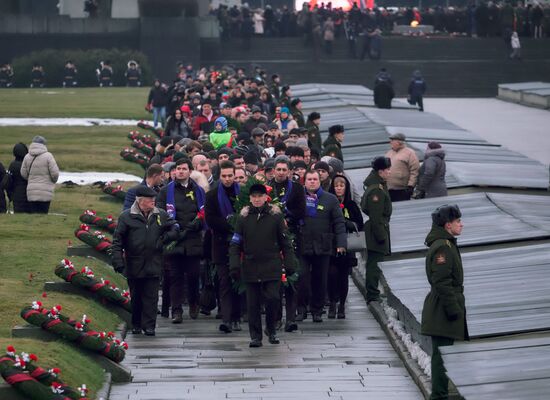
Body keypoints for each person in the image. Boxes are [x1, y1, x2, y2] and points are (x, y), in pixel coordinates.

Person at [229, 183, 296, 347]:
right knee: (252, 304)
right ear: (250, 198)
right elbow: (236, 244)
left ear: (266, 197)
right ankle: (256, 336)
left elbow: (285, 242)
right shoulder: (243, 218)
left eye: (260, 196)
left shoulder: (275, 216)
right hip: (251, 266)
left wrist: (289, 263)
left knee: (273, 298)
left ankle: (271, 329)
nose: (257, 199)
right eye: (254, 196)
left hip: (271, 264)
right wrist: (235, 265)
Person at [112, 186, 176, 336]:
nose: (153, 202)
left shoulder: (160, 214)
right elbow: (117, 242)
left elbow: (174, 228)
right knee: (136, 296)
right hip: (134, 264)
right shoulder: (126, 217)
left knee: (152, 297)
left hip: (154, 263)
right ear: (140, 201)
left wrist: (165, 239)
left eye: (154, 199)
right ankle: (136, 324)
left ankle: (149, 326)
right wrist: (118, 262)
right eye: (150, 200)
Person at [421, 205, 469, 400]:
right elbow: (441, 281)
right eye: (458, 221)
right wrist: (454, 309)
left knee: (444, 354)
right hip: (443, 309)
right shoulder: (443, 246)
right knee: (441, 357)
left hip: (444, 307)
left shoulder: (446, 243)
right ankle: (439, 396)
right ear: (448, 225)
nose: (462, 224)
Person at [156, 157, 206, 323]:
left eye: (184, 169)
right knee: (175, 276)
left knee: (193, 275)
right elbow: (161, 212)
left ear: (190, 171)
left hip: (192, 239)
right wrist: (173, 226)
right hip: (174, 239)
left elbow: (203, 211)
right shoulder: (166, 191)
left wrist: (198, 223)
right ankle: (176, 310)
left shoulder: (198, 190)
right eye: (178, 169)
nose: (180, 171)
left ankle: (193, 302)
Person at [297, 170, 346, 323]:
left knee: (320, 279)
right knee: (302, 277)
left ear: (320, 181)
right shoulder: (298, 198)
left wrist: (341, 243)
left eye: (315, 179)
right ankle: (301, 309)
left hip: (323, 244)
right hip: (302, 244)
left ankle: (317, 310)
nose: (312, 182)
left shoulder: (330, 199)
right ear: (305, 182)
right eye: (309, 179)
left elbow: (339, 222)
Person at [268, 156, 306, 332]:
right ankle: (275, 318)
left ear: (290, 172)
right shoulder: (267, 188)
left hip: (291, 237)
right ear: (273, 170)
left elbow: (301, 211)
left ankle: (290, 318)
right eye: (279, 169)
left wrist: (285, 214)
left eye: (285, 170)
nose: (281, 172)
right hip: (271, 239)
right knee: (275, 281)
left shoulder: (297, 188)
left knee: (291, 278)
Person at [205, 161, 242, 333]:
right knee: (224, 282)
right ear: (220, 176)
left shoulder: (242, 193)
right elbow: (210, 219)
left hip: (240, 245)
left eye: (230, 176)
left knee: (238, 281)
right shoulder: (212, 195)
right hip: (220, 245)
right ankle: (227, 319)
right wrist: (231, 224)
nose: (227, 179)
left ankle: (237, 315)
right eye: (224, 176)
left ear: (235, 176)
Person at [327, 175, 363, 319]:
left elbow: (359, 224)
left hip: (347, 246)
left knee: (343, 277)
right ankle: (332, 302)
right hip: (331, 245)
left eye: (342, 186)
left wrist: (347, 223)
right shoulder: (328, 203)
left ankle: (342, 304)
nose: (339, 188)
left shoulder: (351, 205)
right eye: (336, 186)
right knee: (331, 275)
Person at [361, 156, 392, 304]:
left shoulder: (376, 186)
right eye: (387, 170)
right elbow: (375, 216)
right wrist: (381, 236)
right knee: (374, 263)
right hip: (376, 231)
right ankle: (372, 293)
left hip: (377, 229)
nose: (389, 172)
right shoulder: (376, 191)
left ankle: (373, 291)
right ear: (380, 171)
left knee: (374, 262)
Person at [20, 136, 59, 214]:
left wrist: (31, 180)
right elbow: (55, 173)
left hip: (31, 191)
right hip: (46, 191)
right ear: (44, 144)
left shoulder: (27, 156)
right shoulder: (48, 156)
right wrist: (53, 181)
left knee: (34, 215)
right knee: (43, 215)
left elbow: (23, 174)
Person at [385, 133, 420, 202]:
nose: (390, 142)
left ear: (399, 142)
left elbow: (415, 171)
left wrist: (411, 186)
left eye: (392, 140)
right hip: (388, 189)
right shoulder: (389, 153)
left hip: (402, 190)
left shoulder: (410, 153)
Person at [6, 143, 30, 213]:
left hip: (16, 196)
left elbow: (9, 183)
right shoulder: (27, 164)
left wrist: (10, 196)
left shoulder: (12, 165)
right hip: (28, 195)